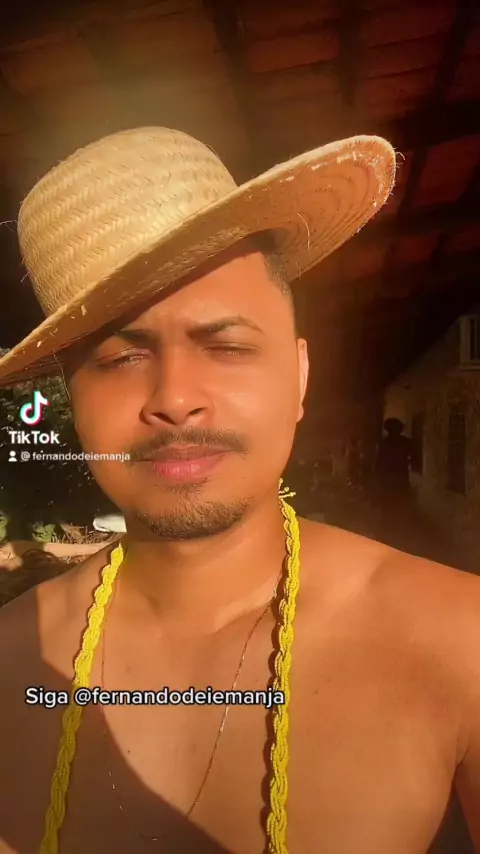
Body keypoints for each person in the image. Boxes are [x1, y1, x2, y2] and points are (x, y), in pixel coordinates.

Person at [0, 127, 478, 854]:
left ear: (300, 377)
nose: (176, 400)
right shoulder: (13, 659)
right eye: (120, 358)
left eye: (226, 347)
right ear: (72, 399)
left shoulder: (455, 638)